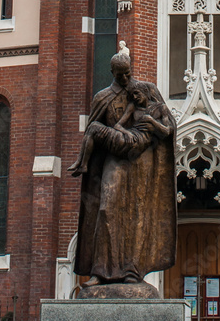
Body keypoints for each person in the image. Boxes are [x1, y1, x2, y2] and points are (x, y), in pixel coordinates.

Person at [73, 52, 177, 287]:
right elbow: (94, 129)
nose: (126, 78)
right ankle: (100, 272)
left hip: (143, 162)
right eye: (121, 75)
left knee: (139, 213)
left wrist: (153, 126)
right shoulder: (103, 97)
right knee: (106, 209)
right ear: (112, 73)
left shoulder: (146, 89)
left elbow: (169, 125)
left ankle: (133, 271)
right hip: (114, 158)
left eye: (128, 73)